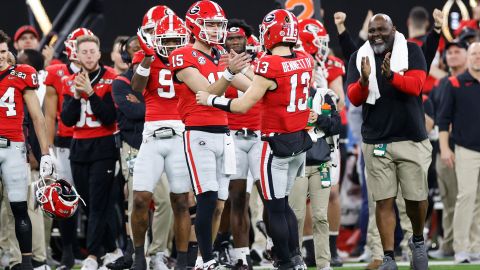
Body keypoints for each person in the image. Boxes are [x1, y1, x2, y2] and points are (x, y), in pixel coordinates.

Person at [196, 8, 314, 269]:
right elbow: (267, 83)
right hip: (298, 142)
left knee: (275, 209)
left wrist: (211, 99)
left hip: (274, 144)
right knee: (284, 207)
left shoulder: (269, 64)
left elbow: (242, 105)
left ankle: (285, 261)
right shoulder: (305, 59)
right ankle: (296, 259)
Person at [169, 1, 251, 268]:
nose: (217, 30)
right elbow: (206, 93)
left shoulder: (219, 54)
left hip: (225, 133)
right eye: (211, 24)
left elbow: (250, 89)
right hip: (198, 132)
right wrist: (229, 72)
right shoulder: (182, 55)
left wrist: (254, 71)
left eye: (219, 24)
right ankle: (205, 261)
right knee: (205, 198)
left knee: (219, 203)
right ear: (195, 26)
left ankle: (207, 256)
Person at [346, 14, 431, 270]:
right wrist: (363, 80)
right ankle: (388, 257)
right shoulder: (359, 56)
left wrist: (391, 76)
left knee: (416, 199)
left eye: (382, 30)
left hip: (410, 136)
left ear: (394, 29)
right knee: (383, 200)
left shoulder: (412, 50)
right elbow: (354, 98)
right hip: (376, 139)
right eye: (372, 31)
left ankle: (417, 240)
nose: (376, 35)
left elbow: (417, 85)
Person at [130, 14, 193, 270]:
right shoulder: (147, 56)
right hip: (152, 135)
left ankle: (182, 259)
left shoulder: (190, 57)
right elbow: (136, 86)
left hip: (180, 135)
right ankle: (138, 257)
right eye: (165, 40)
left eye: (175, 40)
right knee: (140, 199)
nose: (170, 45)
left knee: (180, 201)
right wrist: (147, 57)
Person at [60, 34, 121, 270]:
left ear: (99, 53)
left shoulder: (111, 78)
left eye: (91, 51)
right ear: (76, 54)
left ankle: (93, 255)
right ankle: (113, 250)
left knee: (98, 203)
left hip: (103, 146)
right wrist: (76, 96)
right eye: (83, 51)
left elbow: (109, 118)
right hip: (78, 147)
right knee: (87, 204)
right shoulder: (70, 80)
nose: (88, 55)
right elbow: (66, 119)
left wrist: (92, 93)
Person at [0, 29, 54, 270]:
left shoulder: (22, 74)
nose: (1, 56)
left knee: (19, 207)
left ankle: (28, 263)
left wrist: (45, 153)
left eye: (3, 51)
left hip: (14, 147)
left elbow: (37, 117)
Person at [43, 27, 94, 270]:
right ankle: (68, 251)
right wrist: (47, 149)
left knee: (97, 200)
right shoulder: (56, 73)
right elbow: (49, 116)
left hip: (94, 143)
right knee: (64, 200)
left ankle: (99, 250)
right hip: (65, 144)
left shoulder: (104, 73)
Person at [212, 19, 262, 269]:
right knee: (236, 198)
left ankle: (281, 250)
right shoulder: (220, 63)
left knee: (271, 197)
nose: (234, 42)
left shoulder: (260, 59)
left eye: (238, 38)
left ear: (246, 39)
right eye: (229, 39)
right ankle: (240, 253)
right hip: (231, 134)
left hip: (259, 134)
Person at [438, 42, 480, 264]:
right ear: (469, 57)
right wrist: (445, 148)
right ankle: (461, 248)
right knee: (466, 197)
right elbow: (443, 120)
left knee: (478, 200)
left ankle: (475, 246)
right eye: (474, 54)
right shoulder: (454, 83)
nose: (477, 57)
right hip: (466, 148)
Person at [428, 40, 467, 260]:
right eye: (448, 52)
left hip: (470, 146)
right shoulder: (441, 85)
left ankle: (471, 243)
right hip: (445, 149)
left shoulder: (473, 82)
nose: (452, 56)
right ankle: (450, 244)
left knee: (473, 199)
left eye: (456, 52)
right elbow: (433, 117)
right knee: (449, 199)